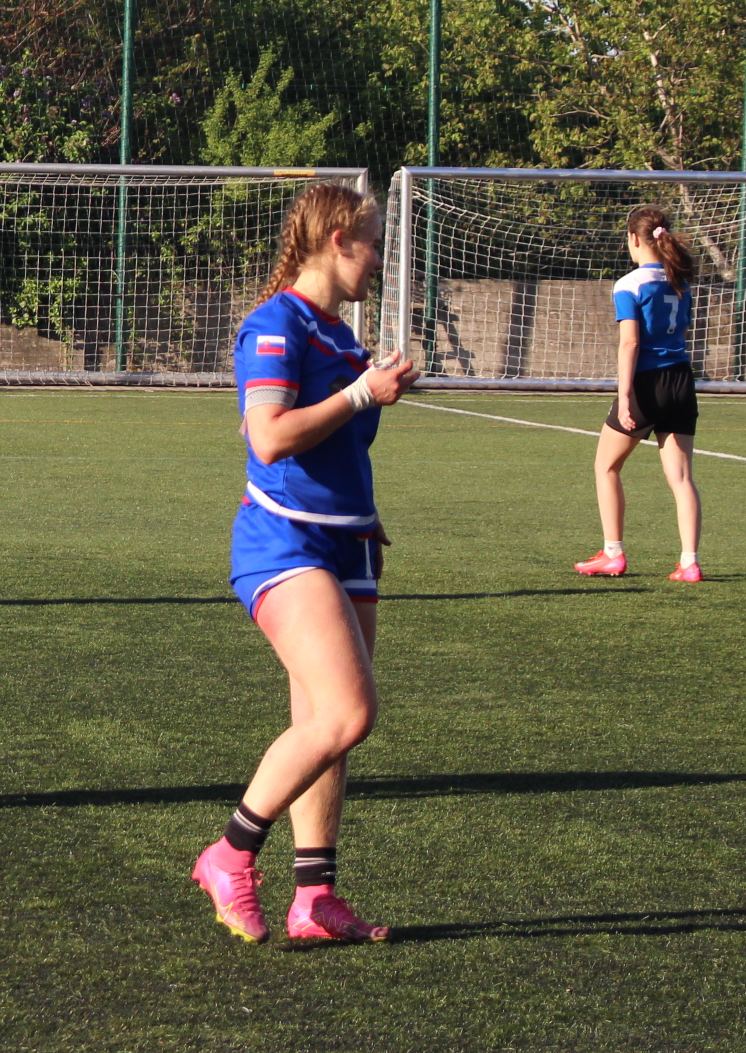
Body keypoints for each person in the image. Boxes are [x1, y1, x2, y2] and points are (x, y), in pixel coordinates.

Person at [190, 183, 416, 945]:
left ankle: (313, 897)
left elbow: (337, 450)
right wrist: (361, 395)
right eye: (373, 244)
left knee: (328, 727)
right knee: (351, 712)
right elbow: (269, 437)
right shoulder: (276, 325)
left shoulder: (340, 336)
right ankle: (229, 854)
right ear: (336, 241)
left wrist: (363, 506)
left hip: (347, 545)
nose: (379, 260)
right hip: (284, 545)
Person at [575, 205, 705, 584]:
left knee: (606, 466)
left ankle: (613, 553)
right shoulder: (680, 281)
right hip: (682, 380)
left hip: (648, 382)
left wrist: (625, 395)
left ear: (634, 238)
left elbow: (630, 343)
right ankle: (690, 562)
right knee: (681, 477)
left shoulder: (629, 284)